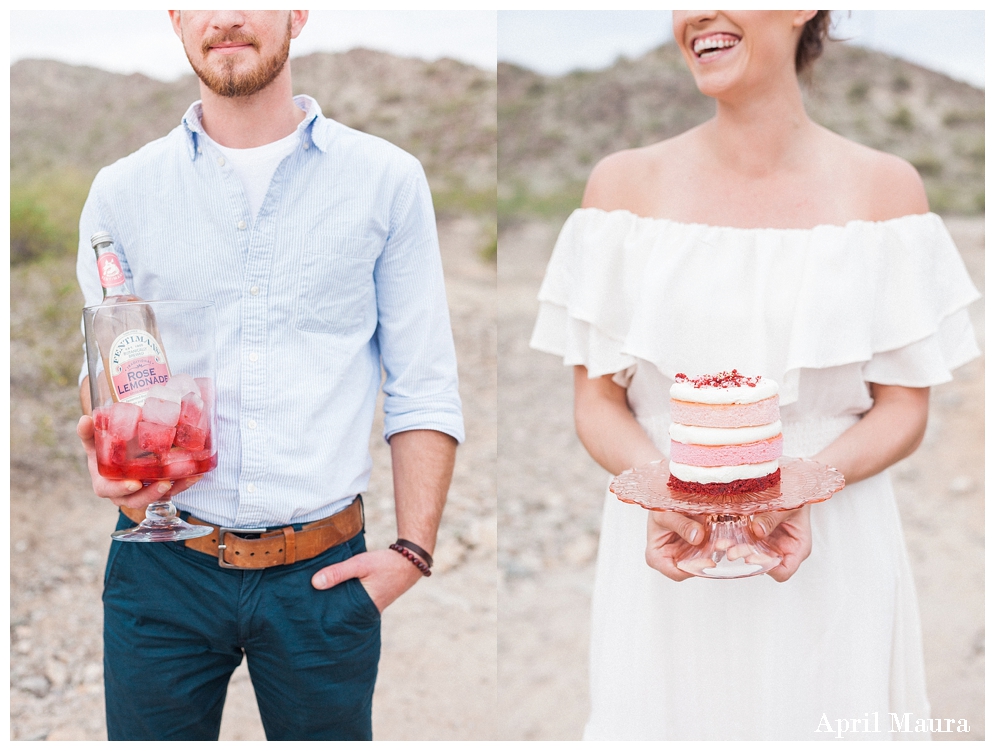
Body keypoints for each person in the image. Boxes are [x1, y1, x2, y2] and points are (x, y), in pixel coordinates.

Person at [530, 10, 980, 741]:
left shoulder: (885, 190)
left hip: (831, 545)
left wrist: (800, 483)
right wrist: (671, 489)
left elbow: (903, 409)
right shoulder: (620, 187)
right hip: (666, 552)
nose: (695, 14)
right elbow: (595, 403)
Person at [75, 10, 463, 741]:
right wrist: (96, 441)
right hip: (161, 572)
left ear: (297, 13)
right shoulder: (121, 192)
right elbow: (102, 374)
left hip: (322, 577)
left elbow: (424, 381)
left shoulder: (386, 180)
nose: (226, 16)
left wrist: (411, 552)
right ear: (175, 18)